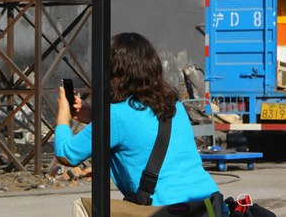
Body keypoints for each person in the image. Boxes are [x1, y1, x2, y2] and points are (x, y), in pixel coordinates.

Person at [54, 32, 219, 205]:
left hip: (166, 215)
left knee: (83, 211)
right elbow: (138, 131)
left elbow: (66, 155)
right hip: (208, 207)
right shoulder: (175, 106)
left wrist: (63, 115)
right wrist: (95, 115)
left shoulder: (115, 116)